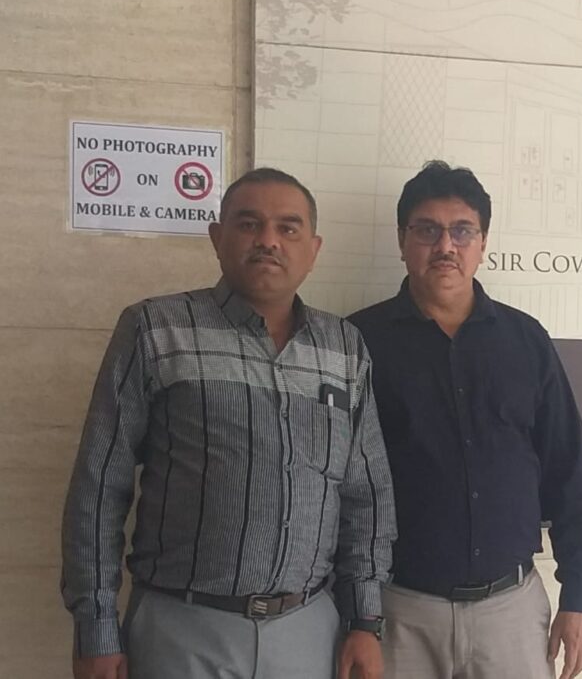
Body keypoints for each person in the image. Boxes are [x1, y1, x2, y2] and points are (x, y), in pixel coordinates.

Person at [62, 167, 396, 679]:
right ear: (218, 237)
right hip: (182, 629)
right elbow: (100, 485)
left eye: (288, 228)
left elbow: (366, 496)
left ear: (313, 249)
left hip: (309, 630)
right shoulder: (157, 329)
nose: (268, 240)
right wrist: (97, 629)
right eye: (248, 224)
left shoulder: (344, 348)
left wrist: (365, 621)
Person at [349, 161, 582, 679]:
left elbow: (571, 473)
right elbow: (340, 489)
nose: (446, 246)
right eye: (427, 230)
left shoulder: (526, 340)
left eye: (462, 231)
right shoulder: (358, 342)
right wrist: (357, 615)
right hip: (399, 613)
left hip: (510, 613)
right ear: (402, 241)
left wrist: (579, 596)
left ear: (483, 243)